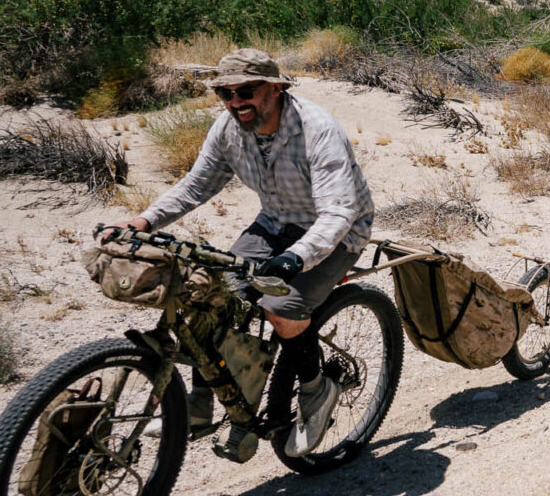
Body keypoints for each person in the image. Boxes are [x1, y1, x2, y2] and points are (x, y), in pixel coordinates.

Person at [121, 48, 374, 455]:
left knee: (280, 306)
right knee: (208, 295)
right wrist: (144, 221)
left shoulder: (318, 129)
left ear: (274, 88)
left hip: (337, 233)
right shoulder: (228, 128)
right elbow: (196, 185)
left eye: (246, 90)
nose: (236, 101)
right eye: (226, 93)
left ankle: (315, 390)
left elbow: (339, 210)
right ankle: (200, 406)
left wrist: (297, 257)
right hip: (275, 222)